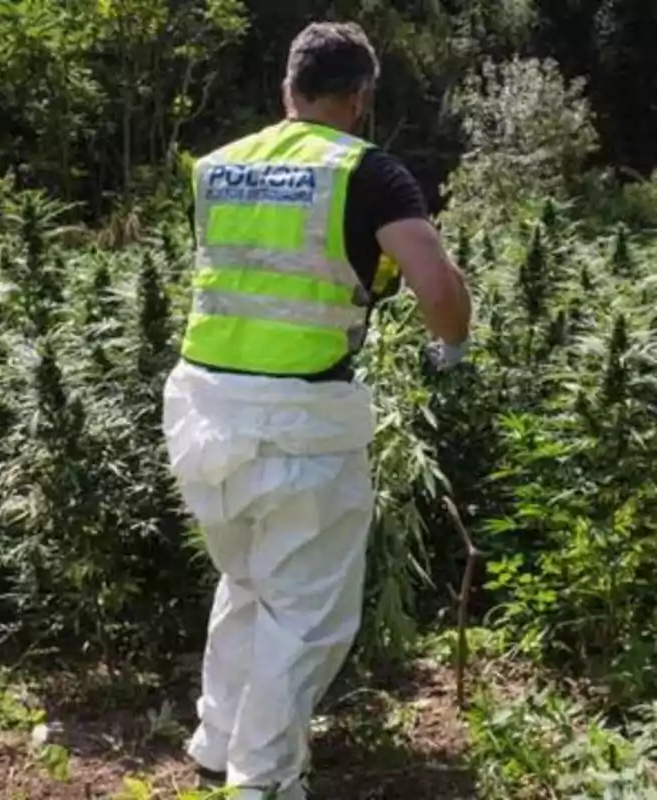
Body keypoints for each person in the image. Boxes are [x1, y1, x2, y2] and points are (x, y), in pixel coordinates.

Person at [162, 20, 472, 800]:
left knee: (245, 581)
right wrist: (453, 348)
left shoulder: (218, 167)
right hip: (298, 420)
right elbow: (435, 287)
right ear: (361, 96)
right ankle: (260, 781)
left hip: (201, 407)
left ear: (287, 89)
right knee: (303, 614)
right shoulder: (368, 173)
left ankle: (217, 740)